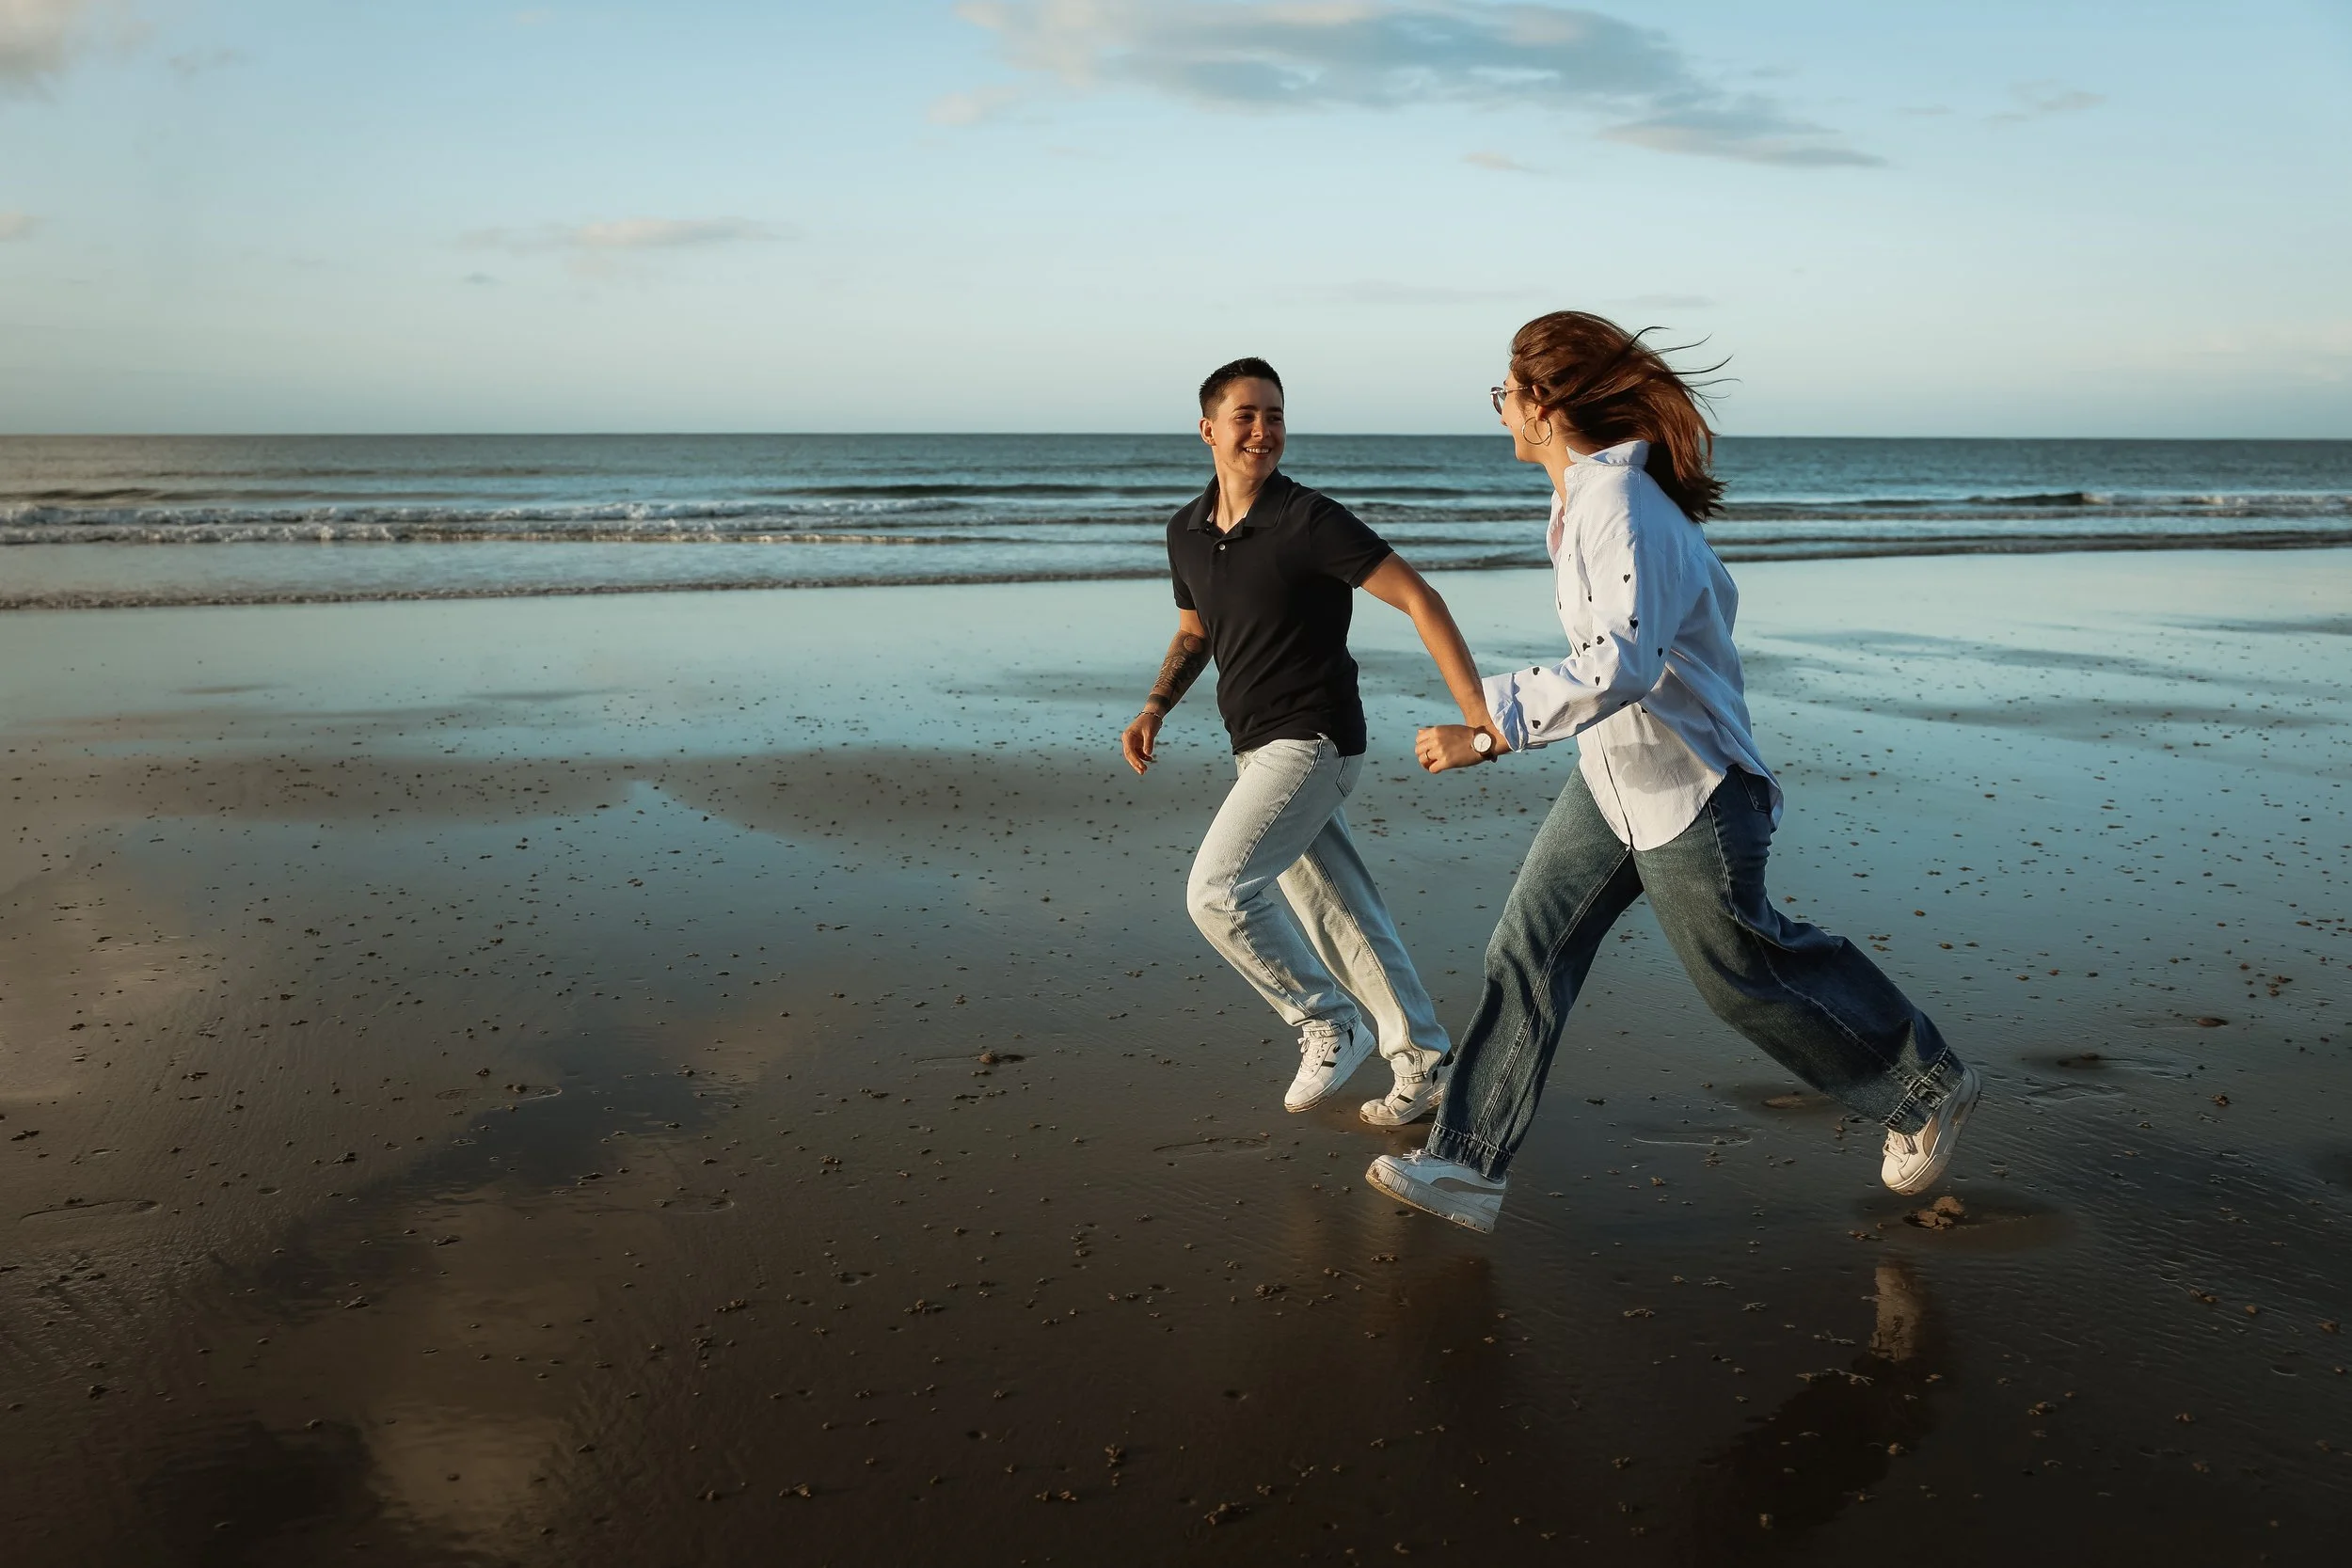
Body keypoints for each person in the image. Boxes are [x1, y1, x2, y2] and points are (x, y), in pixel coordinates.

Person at [1365, 311, 1983, 1233]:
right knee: (1527, 952)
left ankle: (1921, 1082)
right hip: (1612, 782)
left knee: (1742, 969)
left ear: (1542, 403)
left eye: (1506, 394)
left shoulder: (1619, 505)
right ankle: (1464, 1165)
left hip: (1693, 786)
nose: (1500, 412)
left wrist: (1487, 728)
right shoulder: (1582, 499)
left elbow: (1624, 662)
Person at [1121, 356, 1493, 1126]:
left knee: (1217, 893)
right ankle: (1423, 1060)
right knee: (1342, 914)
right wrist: (1156, 704)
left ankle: (1327, 1020)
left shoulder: (1309, 519)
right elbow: (1195, 631)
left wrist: (1478, 716)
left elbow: (1420, 597)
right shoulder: (1186, 531)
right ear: (1208, 430)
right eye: (1247, 415)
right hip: (1255, 746)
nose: (1264, 430)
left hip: (1315, 739)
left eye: (1276, 415)